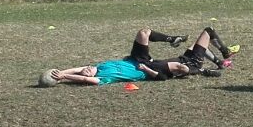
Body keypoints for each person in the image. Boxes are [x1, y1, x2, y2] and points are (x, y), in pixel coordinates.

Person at [38, 26, 232, 86]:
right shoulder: (103, 78)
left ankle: (172, 39)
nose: (86, 69)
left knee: (143, 32)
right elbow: (86, 79)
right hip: (149, 67)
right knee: (206, 35)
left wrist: (62, 71)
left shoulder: (97, 67)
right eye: (86, 72)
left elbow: (80, 70)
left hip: (137, 60)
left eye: (85, 68)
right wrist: (64, 78)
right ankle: (206, 68)